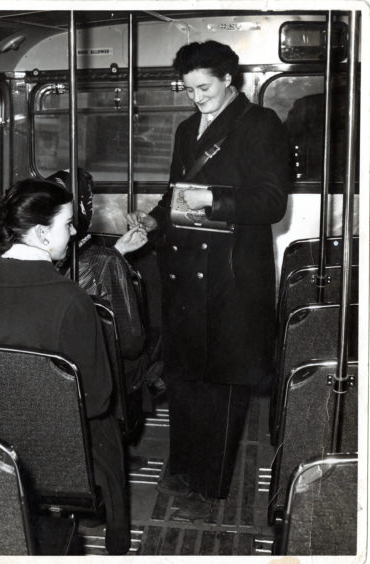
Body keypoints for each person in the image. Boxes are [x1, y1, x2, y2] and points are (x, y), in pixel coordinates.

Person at [126, 40, 290, 520]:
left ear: (229, 81)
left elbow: (271, 202)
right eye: (189, 89)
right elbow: (174, 195)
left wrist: (212, 201)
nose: (196, 97)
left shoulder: (260, 125)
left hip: (230, 278)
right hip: (184, 277)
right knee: (183, 378)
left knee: (221, 384)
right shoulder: (185, 129)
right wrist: (153, 223)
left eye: (204, 88)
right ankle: (182, 468)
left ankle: (211, 489)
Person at [0, 178, 130, 555]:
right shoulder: (71, 299)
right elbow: (96, 400)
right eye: (67, 224)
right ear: (40, 233)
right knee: (110, 429)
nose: (75, 231)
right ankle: (116, 537)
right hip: (55, 450)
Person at [49, 169, 164, 407]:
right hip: (94, 378)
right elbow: (132, 343)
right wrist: (114, 258)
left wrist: (117, 252)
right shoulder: (101, 261)